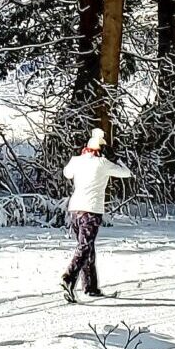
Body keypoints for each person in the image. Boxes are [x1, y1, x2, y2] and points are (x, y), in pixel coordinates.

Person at [61, 127, 133, 302]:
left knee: (87, 246)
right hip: (91, 210)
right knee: (85, 247)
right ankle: (69, 277)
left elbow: (67, 173)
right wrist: (116, 159)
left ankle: (90, 286)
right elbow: (126, 173)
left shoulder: (76, 161)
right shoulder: (103, 163)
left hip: (74, 209)